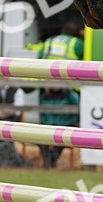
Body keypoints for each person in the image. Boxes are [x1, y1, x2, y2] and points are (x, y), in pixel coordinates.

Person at [36, 19, 84, 168]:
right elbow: (86, 62)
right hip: (66, 93)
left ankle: (47, 161)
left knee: (44, 128)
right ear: (78, 33)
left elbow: (38, 61)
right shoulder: (77, 44)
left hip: (47, 93)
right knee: (69, 127)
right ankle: (52, 158)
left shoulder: (48, 42)